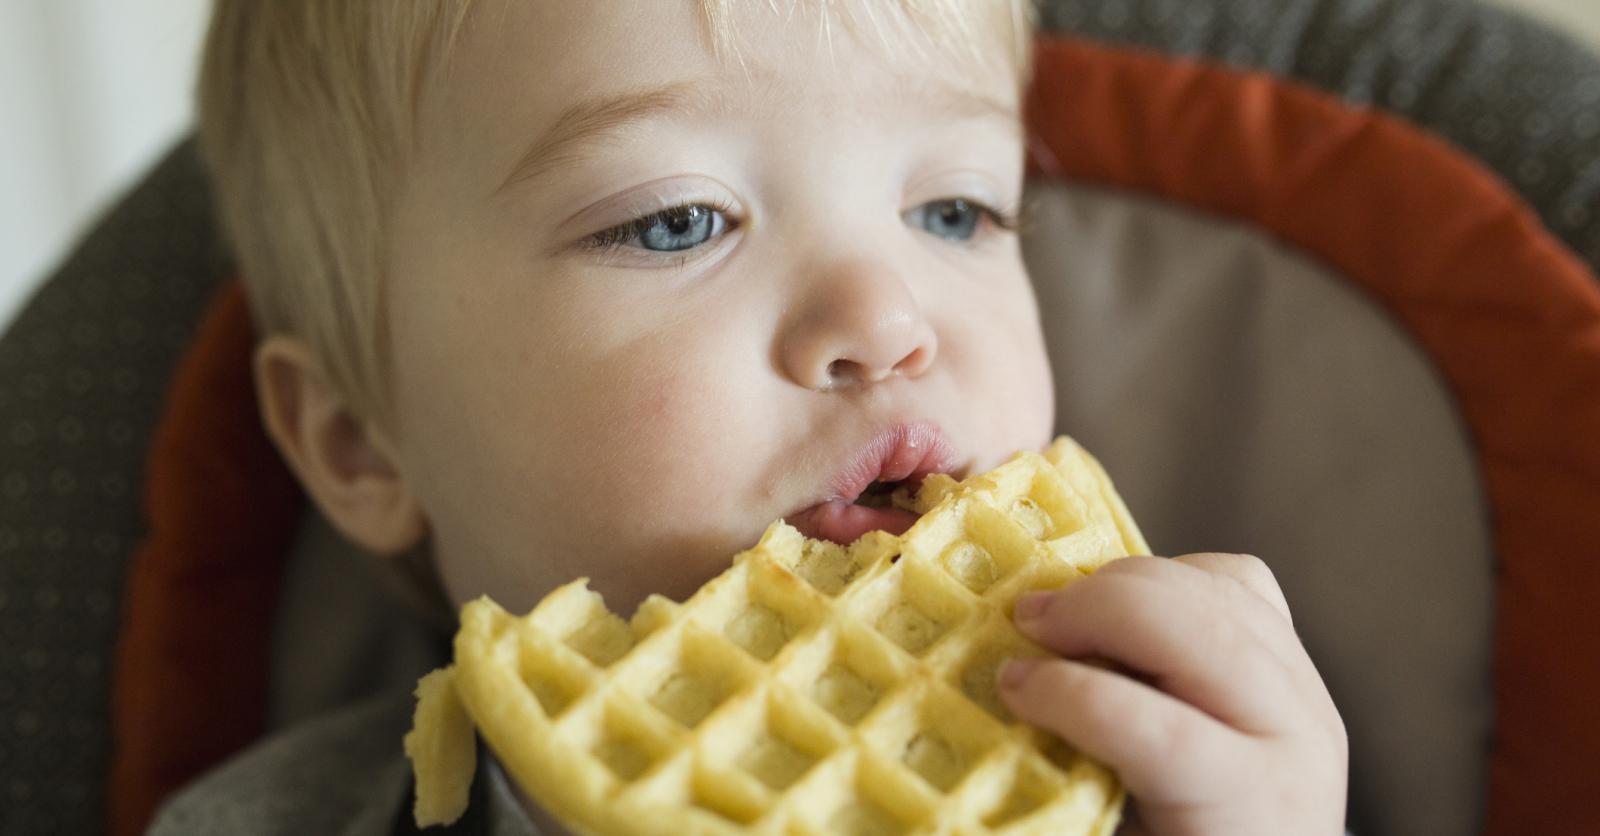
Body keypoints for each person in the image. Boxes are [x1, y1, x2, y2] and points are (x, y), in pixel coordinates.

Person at [154, 1, 1347, 833]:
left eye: (954, 209)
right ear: (361, 440)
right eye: (677, 220)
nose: (885, 320)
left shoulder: (1160, 771)